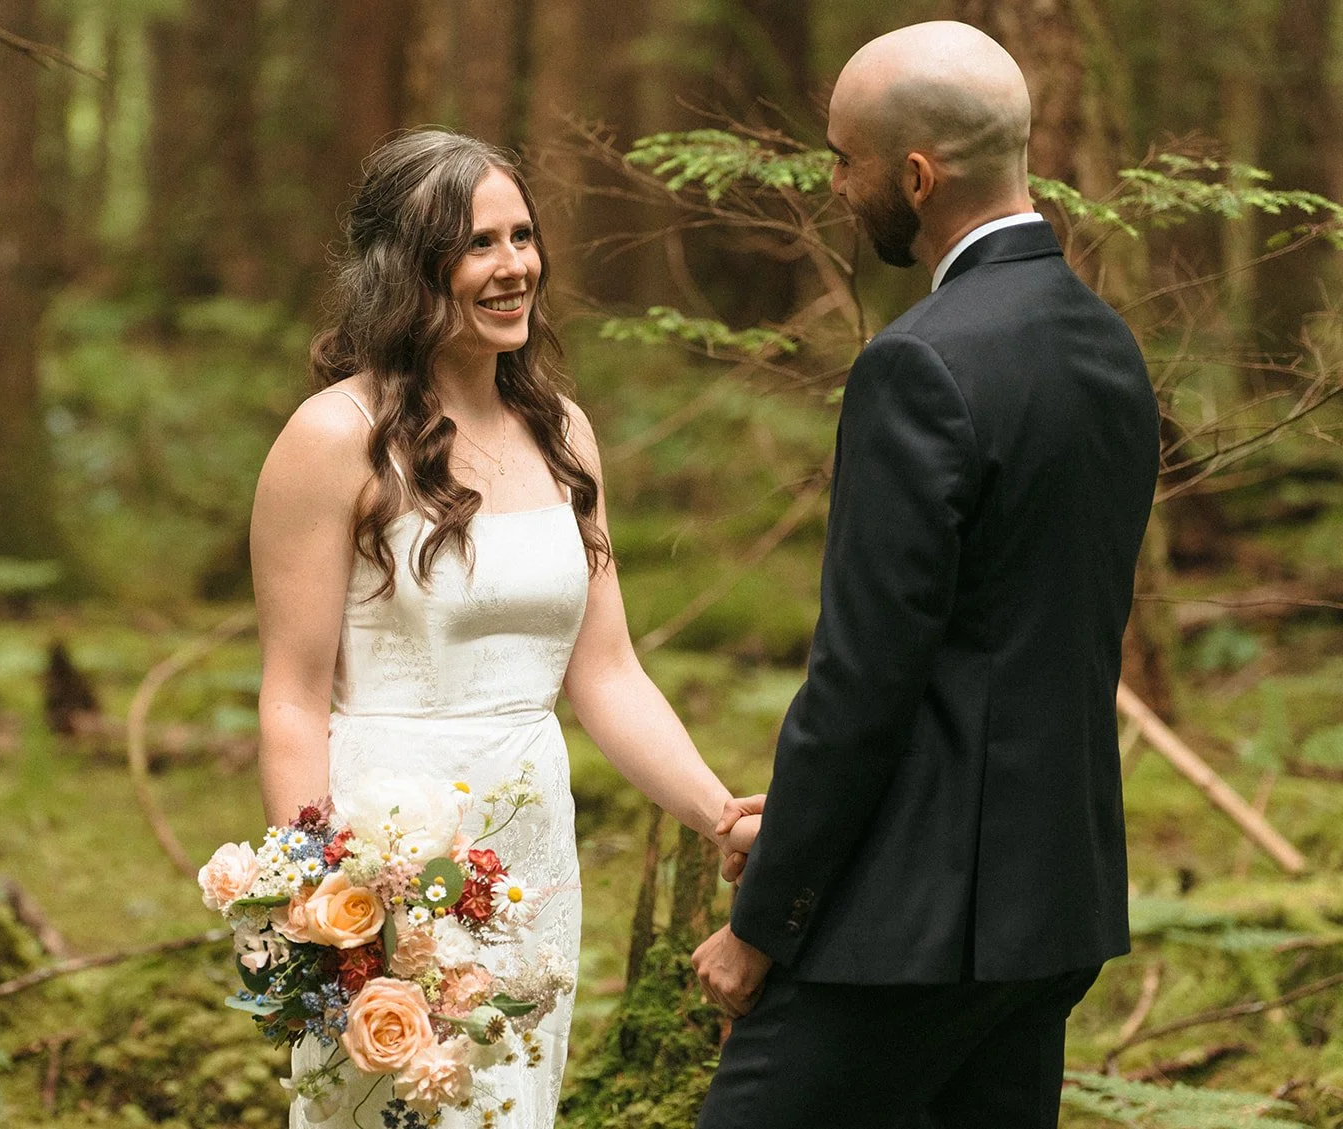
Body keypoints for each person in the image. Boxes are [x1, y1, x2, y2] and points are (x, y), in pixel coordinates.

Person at [693, 21, 1160, 1127]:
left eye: (844, 159)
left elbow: (865, 678)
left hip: (908, 930)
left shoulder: (919, 364)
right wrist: (802, 811)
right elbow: (1005, 645)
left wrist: (762, 918)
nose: (837, 185)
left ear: (914, 174)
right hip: (1052, 911)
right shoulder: (1104, 344)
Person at [250, 128, 751, 1129]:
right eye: (479, 243)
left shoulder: (561, 431)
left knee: (511, 1097)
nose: (514, 265)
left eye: (523, 237)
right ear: (405, 265)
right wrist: (323, 899)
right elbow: (293, 695)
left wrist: (720, 814)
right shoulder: (331, 437)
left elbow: (604, 673)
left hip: (530, 851)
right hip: (385, 850)